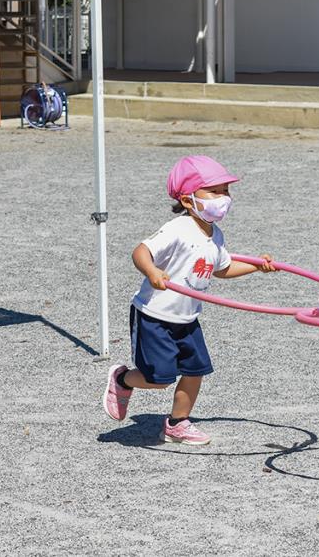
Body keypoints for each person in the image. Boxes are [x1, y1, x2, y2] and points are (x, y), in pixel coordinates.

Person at [102, 155, 275, 445]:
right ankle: (122, 379)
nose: (223, 198)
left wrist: (256, 266)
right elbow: (140, 251)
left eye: (225, 191)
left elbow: (223, 268)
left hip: (187, 318)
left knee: (196, 372)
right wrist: (152, 271)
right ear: (187, 200)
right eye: (214, 192)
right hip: (155, 316)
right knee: (158, 379)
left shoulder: (215, 234)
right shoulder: (177, 229)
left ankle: (177, 423)